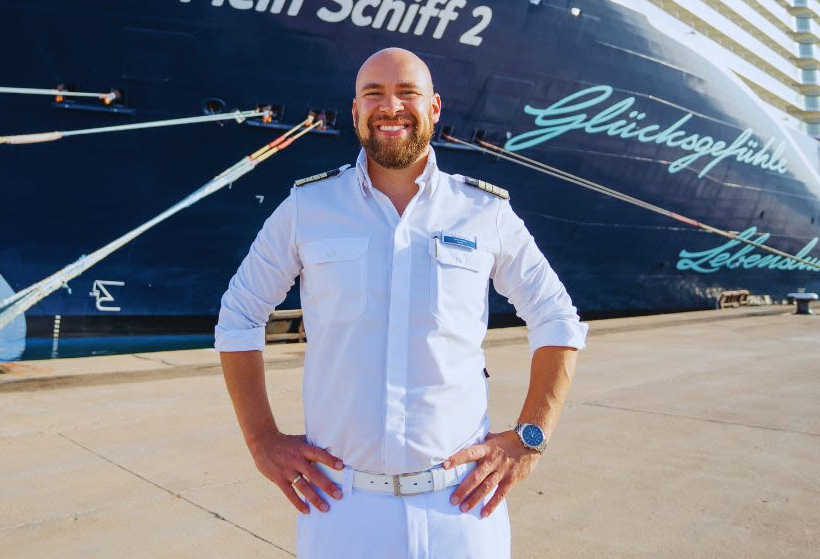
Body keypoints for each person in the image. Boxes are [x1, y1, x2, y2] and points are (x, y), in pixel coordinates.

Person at [215, 47, 586, 557]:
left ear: (434, 108)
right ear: (355, 112)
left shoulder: (483, 212)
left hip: (462, 507)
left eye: (407, 93)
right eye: (374, 95)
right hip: (341, 508)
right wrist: (262, 439)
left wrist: (529, 439)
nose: (391, 107)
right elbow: (239, 314)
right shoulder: (308, 207)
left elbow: (558, 319)